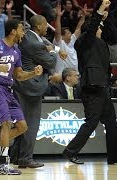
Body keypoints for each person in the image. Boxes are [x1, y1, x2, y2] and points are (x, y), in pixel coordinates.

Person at [0, 19, 43, 175]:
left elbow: (18, 75)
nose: (23, 33)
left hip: (8, 88)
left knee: (22, 126)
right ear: (13, 31)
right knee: (6, 123)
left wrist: (32, 73)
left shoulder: (16, 51)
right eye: (21, 30)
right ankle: (2, 164)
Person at [62, 0, 117, 165]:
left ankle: (114, 157)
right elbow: (93, 27)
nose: (101, 29)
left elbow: (111, 33)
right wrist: (99, 11)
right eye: (99, 27)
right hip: (91, 88)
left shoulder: (100, 44)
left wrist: (105, 19)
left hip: (102, 88)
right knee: (91, 122)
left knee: (111, 122)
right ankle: (70, 152)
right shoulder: (85, 42)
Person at [11, 14, 57, 169]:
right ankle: (25, 158)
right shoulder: (34, 43)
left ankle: (17, 157)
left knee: (22, 122)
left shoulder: (29, 37)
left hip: (21, 85)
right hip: (30, 87)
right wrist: (52, 51)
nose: (47, 27)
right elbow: (50, 62)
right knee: (31, 124)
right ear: (39, 26)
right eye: (46, 24)